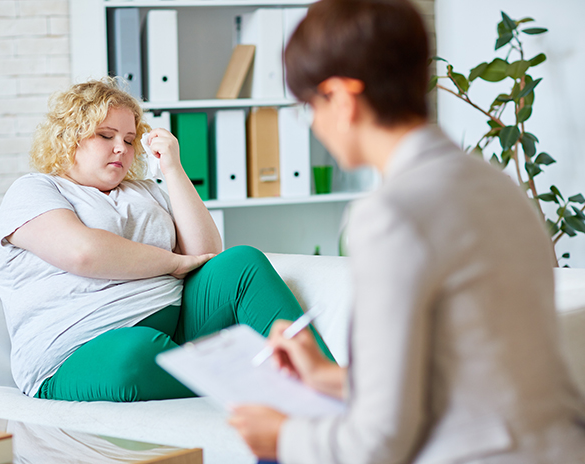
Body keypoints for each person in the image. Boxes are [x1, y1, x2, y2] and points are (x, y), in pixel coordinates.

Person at [229, 0, 585, 462]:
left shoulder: (391, 214)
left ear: (341, 97)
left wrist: (282, 437)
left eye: (309, 107)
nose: (314, 125)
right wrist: (327, 376)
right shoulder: (498, 186)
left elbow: (377, 443)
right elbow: (466, 377)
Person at [0, 78, 333, 403]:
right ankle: (254, 376)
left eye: (128, 139)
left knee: (242, 262)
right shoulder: (36, 189)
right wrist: (173, 263)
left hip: (177, 326)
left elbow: (207, 253)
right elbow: (83, 253)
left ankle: (330, 380)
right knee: (133, 353)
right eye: (105, 135)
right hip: (77, 350)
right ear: (69, 137)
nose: (120, 149)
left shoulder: (145, 191)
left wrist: (172, 169)